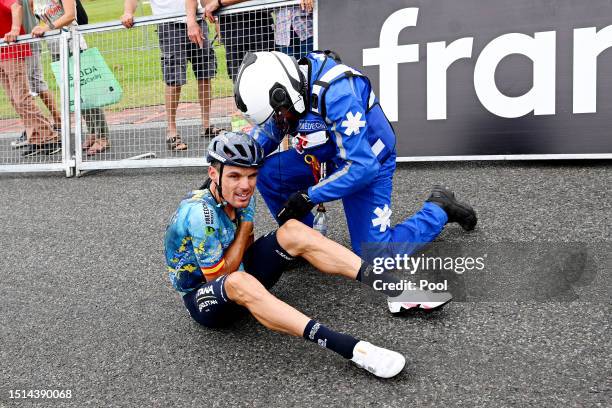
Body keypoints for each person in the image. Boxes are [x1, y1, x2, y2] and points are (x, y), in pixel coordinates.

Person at [165, 133, 453, 378]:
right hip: (206, 299)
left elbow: (244, 253)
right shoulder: (199, 215)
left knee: (293, 230)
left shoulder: (238, 195)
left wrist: (257, 240)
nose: (245, 185)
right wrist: (246, 229)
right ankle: (353, 349)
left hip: (237, 272)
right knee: (240, 281)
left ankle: (395, 289)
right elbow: (224, 277)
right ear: (213, 173)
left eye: (252, 176)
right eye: (235, 176)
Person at [233, 51, 478, 259]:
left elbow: (362, 167)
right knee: (266, 173)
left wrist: (309, 197)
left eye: (279, 115)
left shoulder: (339, 94)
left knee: (375, 255)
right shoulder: (289, 91)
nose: (279, 123)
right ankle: (305, 242)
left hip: (366, 162)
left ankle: (439, 208)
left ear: (286, 94)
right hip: (323, 155)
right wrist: (225, 171)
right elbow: (267, 136)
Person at [122, 0, 220, 152]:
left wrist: (206, 18)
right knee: (174, 80)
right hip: (169, 23)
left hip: (198, 19)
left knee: (205, 74)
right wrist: (128, 12)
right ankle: (172, 131)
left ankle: (207, 125)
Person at [31, 0, 111, 156]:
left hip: (73, 45)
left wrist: (46, 28)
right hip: (55, 48)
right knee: (76, 95)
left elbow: (70, 15)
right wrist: (39, 27)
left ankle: (103, 137)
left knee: (87, 92)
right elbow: (43, 20)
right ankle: (93, 133)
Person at [1, 0, 60, 156]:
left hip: (12, 51)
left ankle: (50, 137)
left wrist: (14, 29)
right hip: (2, 52)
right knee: (15, 100)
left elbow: (15, 6)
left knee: (22, 98)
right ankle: (35, 138)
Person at [185, 0, 274, 82]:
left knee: (265, 81)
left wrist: (219, 2)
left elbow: (215, 3)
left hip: (258, 28)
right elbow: (207, 3)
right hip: (230, 33)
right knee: (240, 85)